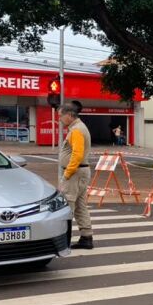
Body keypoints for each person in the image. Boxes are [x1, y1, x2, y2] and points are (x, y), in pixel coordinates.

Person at [58, 102, 94, 249]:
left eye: (61, 115)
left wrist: (66, 174)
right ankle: (86, 237)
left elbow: (77, 155)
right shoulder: (77, 128)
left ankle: (63, 240)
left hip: (75, 173)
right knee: (80, 206)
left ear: (69, 115)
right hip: (80, 172)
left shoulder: (77, 130)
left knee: (68, 205)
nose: (60, 119)